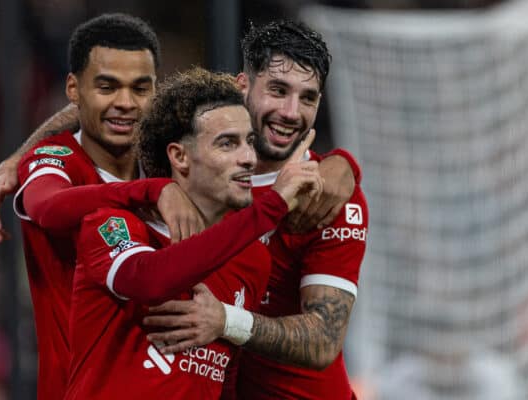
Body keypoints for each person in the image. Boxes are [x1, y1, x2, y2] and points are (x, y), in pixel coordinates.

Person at [65, 67, 323, 398]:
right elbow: (149, 280)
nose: (248, 158)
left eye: (249, 142)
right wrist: (271, 206)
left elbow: (226, 378)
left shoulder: (252, 259)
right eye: (227, 144)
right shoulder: (114, 224)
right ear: (180, 156)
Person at [143, 20, 368, 400]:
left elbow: (324, 339)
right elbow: (110, 112)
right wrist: (157, 188)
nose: (291, 112)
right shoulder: (195, 172)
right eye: (278, 91)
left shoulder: (327, 196)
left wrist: (226, 322)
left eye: (308, 98)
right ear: (242, 86)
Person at [8, 14, 204, 400]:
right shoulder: (56, 159)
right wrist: (149, 191)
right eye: (107, 86)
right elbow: (47, 207)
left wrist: (338, 166)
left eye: (139, 88)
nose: (126, 103)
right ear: (73, 89)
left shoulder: (176, 166)